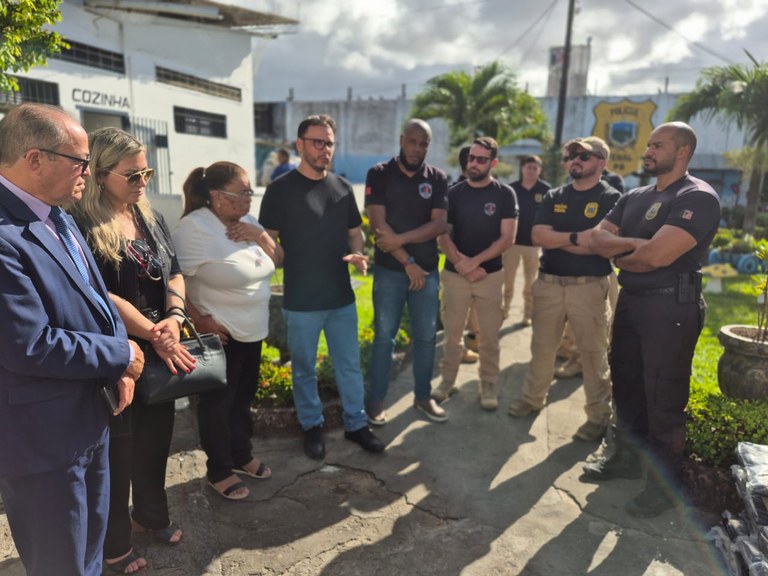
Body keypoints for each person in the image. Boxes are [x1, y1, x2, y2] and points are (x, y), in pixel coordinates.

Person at [0, 103, 144, 576]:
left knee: (89, 558)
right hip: (41, 440)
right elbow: (28, 344)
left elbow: (97, 300)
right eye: (79, 161)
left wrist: (116, 367)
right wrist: (123, 352)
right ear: (34, 158)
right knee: (60, 565)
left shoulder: (59, 214)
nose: (88, 172)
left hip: (89, 417)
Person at [68, 127, 196, 573]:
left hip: (161, 344)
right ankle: (115, 542)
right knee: (117, 452)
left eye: (147, 170)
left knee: (156, 441)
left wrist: (175, 319)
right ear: (100, 175)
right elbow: (98, 292)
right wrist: (153, 332)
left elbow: (175, 272)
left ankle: (151, 515)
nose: (143, 180)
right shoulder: (80, 223)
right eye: (132, 174)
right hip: (116, 351)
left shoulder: (149, 215)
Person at [582, 122, 720, 518]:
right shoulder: (635, 196)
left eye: (657, 145)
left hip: (670, 309)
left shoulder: (698, 197)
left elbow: (658, 257)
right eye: (648, 144)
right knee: (626, 385)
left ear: (683, 152)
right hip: (632, 301)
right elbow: (596, 239)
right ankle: (625, 459)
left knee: (663, 397)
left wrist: (624, 250)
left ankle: (663, 486)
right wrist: (635, 245)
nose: (647, 150)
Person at [259, 114, 384, 459]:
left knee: (349, 365)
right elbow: (269, 242)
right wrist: (273, 253)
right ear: (299, 145)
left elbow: (355, 233)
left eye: (329, 143)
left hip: (341, 298)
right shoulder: (279, 190)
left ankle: (357, 425)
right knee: (303, 368)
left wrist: (358, 254)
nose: (324, 149)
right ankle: (311, 426)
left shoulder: (343, 188)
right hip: (301, 300)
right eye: (317, 142)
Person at [173, 161, 278, 500]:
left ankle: (240, 454)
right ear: (217, 197)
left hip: (254, 330)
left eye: (250, 192)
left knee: (243, 399)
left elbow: (279, 259)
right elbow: (173, 280)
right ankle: (219, 469)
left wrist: (259, 235)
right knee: (217, 404)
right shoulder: (195, 228)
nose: (249, 199)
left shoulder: (248, 222)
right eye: (242, 193)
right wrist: (198, 319)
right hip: (220, 335)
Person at [508, 136, 621, 443]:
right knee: (542, 348)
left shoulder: (612, 198)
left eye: (583, 155)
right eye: (572, 155)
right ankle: (532, 399)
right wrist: (577, 238)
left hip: (589, 288)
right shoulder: (554, 195)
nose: (575, 160)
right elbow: (538, 235)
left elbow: (601, 244)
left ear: (601, 162)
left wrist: (565, 238)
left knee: (593, 353)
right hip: (549, 284)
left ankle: (598, 416)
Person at [364, 119, 448, 425]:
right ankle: (375, 402)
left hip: (426, 273)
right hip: (390, 271)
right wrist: (407, 261)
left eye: (423, 143)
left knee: (426, 337)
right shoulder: (379, 174)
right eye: (413, 142)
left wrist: (401, 240)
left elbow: (439, 225)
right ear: (402, 140)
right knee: (384, 338)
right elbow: (378, 225)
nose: (417, 148)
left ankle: (423, 398)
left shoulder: (437, 178)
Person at [432, 137, 518, 410]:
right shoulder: (453, 193)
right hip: (456, 276)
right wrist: (461, 264)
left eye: (482, 159)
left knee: (489, 336)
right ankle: (447, 381)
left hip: (490, 276)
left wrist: (475, 263)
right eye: (472, 158)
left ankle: (489, 383)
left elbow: (508, 238)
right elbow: (442, 235)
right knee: (453, 335)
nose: (475, 163)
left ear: (493, 163)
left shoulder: (505, 195)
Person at [503, 154, 549, 325]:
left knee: (530, 284)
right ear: (522, 169)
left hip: (534, 245)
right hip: (511, 243)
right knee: (507, 281)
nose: (531, 171)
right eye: (528, 167)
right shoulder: (511, 189)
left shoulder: (546, 190)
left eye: (535, 168)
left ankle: (527, 315)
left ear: (540, 170)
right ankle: (504, 310)